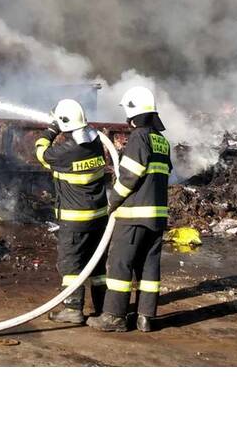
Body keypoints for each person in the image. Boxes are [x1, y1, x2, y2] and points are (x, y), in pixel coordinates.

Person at [87, 85, 170, 333]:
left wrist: (113, 201)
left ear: (133, 114)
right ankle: (146, 317)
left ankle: (114, 316)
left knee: (120, 264)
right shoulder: (161, 140)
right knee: (148, 266)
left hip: (133, 215)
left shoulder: (139, 137)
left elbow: (130, 176)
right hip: (157, 216)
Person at [35, 99, 110, 324]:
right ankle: (103, 308)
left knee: (70, 263)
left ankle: (73, 309)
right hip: (98, 216)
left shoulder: (66, 152)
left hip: (75, 218)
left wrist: (50, 130)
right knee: (97, 264)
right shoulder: (95, 143)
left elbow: (40, 153)